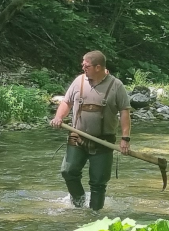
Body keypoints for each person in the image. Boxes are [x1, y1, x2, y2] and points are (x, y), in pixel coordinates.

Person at [49, 51, 131, 210]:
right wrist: (59, 117)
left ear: (98, 67)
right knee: (68, 171)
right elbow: (66, 102)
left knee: (98, 182)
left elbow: (124, 112)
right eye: (83, 65)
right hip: (76, 137)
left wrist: (125, 138)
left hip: (104, 141)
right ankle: (79, 204)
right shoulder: (78, 81)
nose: (83, 68)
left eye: (86, 66)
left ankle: (95, 215)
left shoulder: (116, 86)